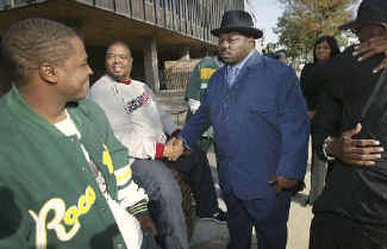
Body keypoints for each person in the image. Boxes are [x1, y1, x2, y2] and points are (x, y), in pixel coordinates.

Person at [0, 18, 157, 249]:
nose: (91, 70)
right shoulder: (8, 151)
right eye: (83, 64)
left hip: (134, 237)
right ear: (50, 72)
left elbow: (118, 162)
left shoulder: (90, 112)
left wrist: (139, 212)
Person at [173, 10, 309, 249]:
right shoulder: (216, 78)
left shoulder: (279, 74)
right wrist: (183, 140)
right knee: (237, 238)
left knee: (271, 238)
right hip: (230, 180)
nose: (224, 45)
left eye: (232, 39)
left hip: (269, 182)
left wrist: (290, 171)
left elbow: (296, 125)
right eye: (221, 40)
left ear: (251, 41)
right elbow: (203, 114)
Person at [88, 42, 226, 236]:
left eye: (122, 56)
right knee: (167, 189)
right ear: (106, 61)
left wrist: (179, 137)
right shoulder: (101, 91)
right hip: (134, 158)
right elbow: (120, 139)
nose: (117, 60)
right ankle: (177, 242)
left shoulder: (141, 86)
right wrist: (163, 150)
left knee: (197, 156)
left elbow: (161, 115)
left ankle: (208, 210)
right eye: (112, 56)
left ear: (130, 61)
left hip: (160, 148)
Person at [309, 0, 387, 249]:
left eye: (360, 32)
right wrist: (332, 146)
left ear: (382, 31)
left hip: (385, 227)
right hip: (337, 214)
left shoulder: (348, 63)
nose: (357, 39)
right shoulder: (347, 70)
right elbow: (321, 128)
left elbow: (314, 76)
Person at [300, 35, 341, 204]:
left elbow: (335, 94)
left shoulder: (338, 68)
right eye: (318, 47)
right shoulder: (308, 68)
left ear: (332, 49)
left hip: (326, 119)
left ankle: (316, 196)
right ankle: (295, 185)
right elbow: (301, 90)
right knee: (299, 153)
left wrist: (317, 111)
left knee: (320, 158)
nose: (321, 50)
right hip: (304, 116)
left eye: (325, 47)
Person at [185, 55, 222, 152]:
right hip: (204, 128)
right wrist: (204, 126)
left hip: (221, 127)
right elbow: (194, 101)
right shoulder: (206, 65)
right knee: (198, 157)